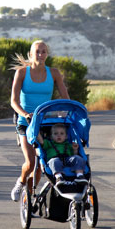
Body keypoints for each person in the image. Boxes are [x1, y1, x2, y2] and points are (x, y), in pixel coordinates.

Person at [10, 40, 70, 202]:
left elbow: (66, 98)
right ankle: (20, 182)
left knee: (40, 164)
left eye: (43, 51)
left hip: (46, 122)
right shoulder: (22, 73)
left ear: (47, 54)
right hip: (26, 122)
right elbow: (14, 101)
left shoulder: (54, 73)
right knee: (30, 162)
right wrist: (25, 114)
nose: (40, 55)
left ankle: (30, 196)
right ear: (31, 54)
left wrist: (69, 112)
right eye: (37, 51)